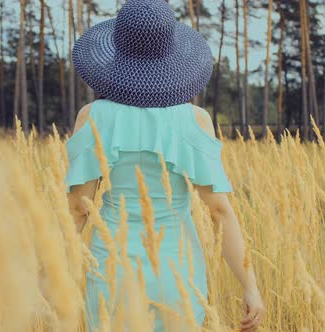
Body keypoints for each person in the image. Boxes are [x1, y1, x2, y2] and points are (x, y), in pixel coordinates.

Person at [65, 0, 266, 331]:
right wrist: (250, 286)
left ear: (117, 51)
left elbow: (78, 210)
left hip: (110, 271)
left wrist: (48, 275)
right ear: (170, 55)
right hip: (178, 272)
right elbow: (219, 211)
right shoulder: (196, 120)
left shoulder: (92, 116)